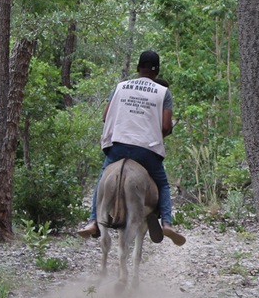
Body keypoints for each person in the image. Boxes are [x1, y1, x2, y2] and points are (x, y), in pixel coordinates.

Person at [78, 50, 185, 246]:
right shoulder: (163, 92)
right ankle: (167, 223)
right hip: (146, 150)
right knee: (163, 184)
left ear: (137, 68)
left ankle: (93, 220)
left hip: (119, 145)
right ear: (158, 71)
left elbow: (105, 116)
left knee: (103, 178)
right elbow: (165, 127)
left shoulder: (121, 87)